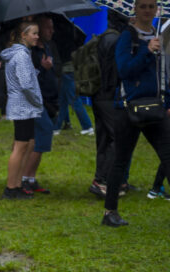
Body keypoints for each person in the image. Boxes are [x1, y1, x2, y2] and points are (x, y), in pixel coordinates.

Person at [102, 0, 170, 226]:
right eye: (143, 6)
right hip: (128, 108)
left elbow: (162, 75)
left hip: (155, 107)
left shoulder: (159, 37)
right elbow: (125, 70)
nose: (147, 10)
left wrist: (167, 100)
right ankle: (110, 212)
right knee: (120, 160)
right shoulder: (127, 36)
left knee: (168, 156)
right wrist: (147, 51)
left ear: (157, 9)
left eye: (151, 6)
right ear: (135, 9)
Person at [0, 20, 43, 200]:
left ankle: (17, 185)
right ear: (23, 35)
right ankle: (11, 188)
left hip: (24, 106)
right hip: (23, 106)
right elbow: (26, 84)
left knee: (28, 144)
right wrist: (38, 101)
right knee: (20, 146)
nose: (37, 36)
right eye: (34, 33)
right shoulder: (21, 55)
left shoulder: (22, 54)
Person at [90, 10, 130, 199]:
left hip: (99, 94)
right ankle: (105, 180)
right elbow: (117, 71)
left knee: (105, 139)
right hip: (109, 94)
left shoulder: (105, 36)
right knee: (119, 138)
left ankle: (104, 179)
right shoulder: (116, 40)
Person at [22, 14, 59, 196]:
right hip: (36, 101)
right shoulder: (30, 52)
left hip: (49, 100)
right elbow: (27, 80)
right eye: (47, 28)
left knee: (38, 140)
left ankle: (30, 178)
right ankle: (24, 178)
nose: (51, 31)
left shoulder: (48, 47)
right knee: (43, 134)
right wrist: (42, 69)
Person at [53, 20, 94, 136]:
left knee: (74, 99)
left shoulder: (58, 32)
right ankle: (56, 127)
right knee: (63, 99)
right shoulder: (73, 29)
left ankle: (87, 126)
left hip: (66, 69)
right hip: (71, 66)